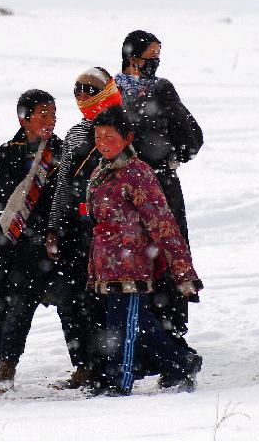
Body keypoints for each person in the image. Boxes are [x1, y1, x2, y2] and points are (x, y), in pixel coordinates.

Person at [85, 105, 203, 396]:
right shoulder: (101, 171)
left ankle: (120, 381)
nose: (102, 143)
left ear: (127, 138)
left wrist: (183, 271)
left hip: (131, 266)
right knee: (138, 327)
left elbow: (163, 224)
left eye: (109, 136)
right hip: (107, 267)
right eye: (98, 136)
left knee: (126, 329)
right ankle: (182, 362)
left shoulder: (138, 174)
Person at [115, 30, 204, 355]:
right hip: (125, 189)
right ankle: (146, 334)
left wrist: (170, 160)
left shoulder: (159, 90)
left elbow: (192, 136)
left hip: (158, 187)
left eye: (158, 55)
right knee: (134, 257)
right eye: (151, 54)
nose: (155, 61)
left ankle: (170, 335)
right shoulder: (114, 91)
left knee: (167, 255)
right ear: (132, 56)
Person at [44, 67, 123, 390]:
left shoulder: (122, 126)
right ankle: (82, 365)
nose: (81, 97)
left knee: (102, 301)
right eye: (77, 91)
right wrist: (54, 227)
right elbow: (63, 183)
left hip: (108, 230)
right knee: (71, 300)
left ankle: (108, 366)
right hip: (75, 229)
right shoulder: (77, 133)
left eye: (88, 91)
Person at [0, 89, 65, 393]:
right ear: (25, 119)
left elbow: (66, 196)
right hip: (17, 245)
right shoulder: (7, 152)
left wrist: (53, 229)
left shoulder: (62, 151)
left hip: (55, 241)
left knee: (71, 304)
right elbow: (1, 202)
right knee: (16, 306)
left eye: (54, 114)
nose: (50, 120)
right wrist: (26, 232)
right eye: (43, 114)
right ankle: (7, 366)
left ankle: (85, 365)